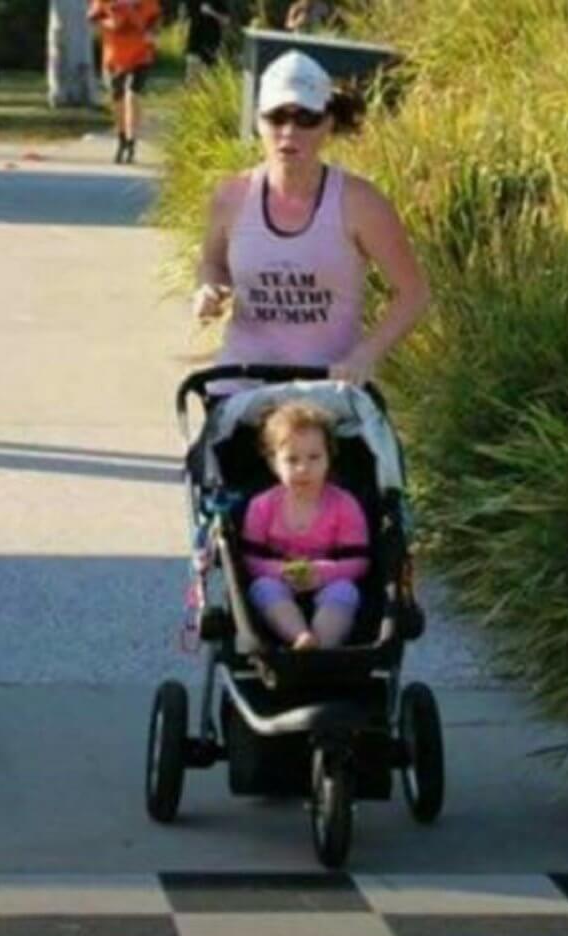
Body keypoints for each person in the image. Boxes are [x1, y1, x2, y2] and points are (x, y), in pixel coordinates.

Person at [193, 48, 430, 385]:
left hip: (329, 386)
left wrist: (364, 356)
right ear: (258, 122)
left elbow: (413, 293)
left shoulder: (360, 203)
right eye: (277, 118)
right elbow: (212, 263)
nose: (289, 132)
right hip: (241, 381)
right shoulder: (231, 196)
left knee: (312, 424)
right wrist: (208, 290)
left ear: (327, 124)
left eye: (306, 119)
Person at [242, 400, 369, 650]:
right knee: (262, 587)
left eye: (314, 457)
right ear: (274, 463)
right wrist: (281, 571)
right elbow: (250, 560)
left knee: (345, 590)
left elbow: (358, 561)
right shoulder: (262, 506)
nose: (303, 468)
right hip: (279, 578)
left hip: (329, 579)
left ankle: (323, 646)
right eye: (292, 459)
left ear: (328, 458)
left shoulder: (344, 505)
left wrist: (322, 573)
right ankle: (300, 636)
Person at [87, 0, 162, 164]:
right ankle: (122, 139)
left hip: (141, 55)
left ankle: (131, 141)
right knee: (117, 99)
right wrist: (109, 24)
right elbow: (93, 20)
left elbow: (155, 20)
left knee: (132, 94)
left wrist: (152, 34)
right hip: (114, 58)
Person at [184, 0, 230, 80]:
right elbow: (187, 16)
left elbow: (226, 21)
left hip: (210, 43)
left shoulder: (218, 2)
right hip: (194, 40)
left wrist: (211, 12)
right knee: (191, 74)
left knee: (205, 77)